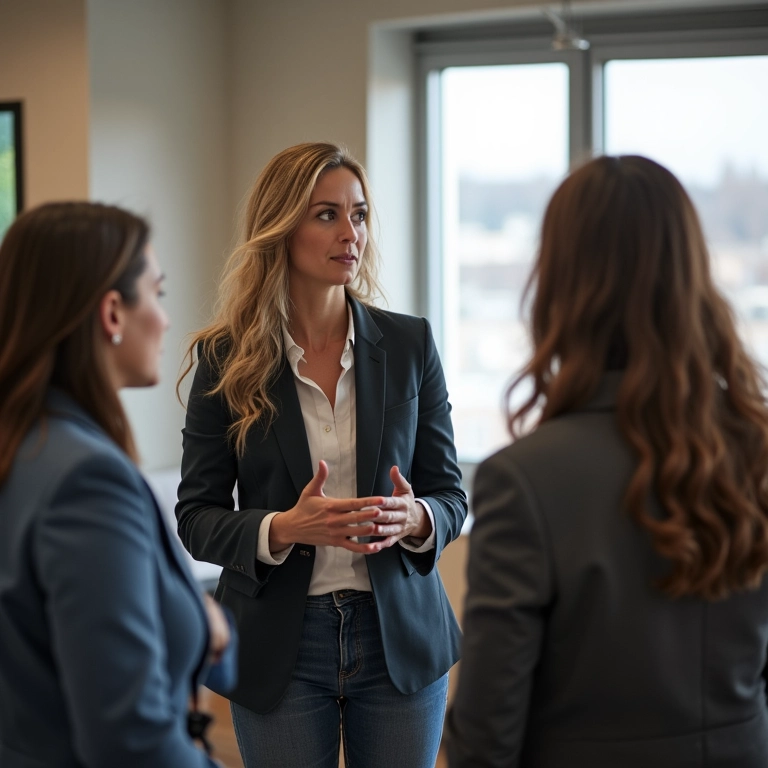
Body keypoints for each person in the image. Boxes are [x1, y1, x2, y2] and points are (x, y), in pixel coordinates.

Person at [444, 154, 768, 767]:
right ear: (691, 274)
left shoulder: (524, 479)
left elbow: (487, 732)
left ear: (562, 283)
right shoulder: (756, 446)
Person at [176, 141, 467, 767]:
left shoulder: (411, 344)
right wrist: (283, 528)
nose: (350, 232)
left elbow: (450, 495)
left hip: (398, 639)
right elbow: (195, 517)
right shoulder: (226, 359)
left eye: (358, 214)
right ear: (281, 228)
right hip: (280, 644)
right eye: (326, 214)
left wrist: (415, 519)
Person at [0, 202, 230, 768]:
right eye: (157, 293)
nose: (166, 318)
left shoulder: (25, 448)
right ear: (112, 313)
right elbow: (131, 741)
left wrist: (199, 624)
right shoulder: (87, 480)